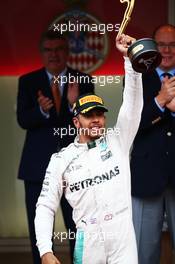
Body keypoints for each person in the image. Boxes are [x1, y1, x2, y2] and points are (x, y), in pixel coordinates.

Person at [34, 33, 143, 264]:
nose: (96, 120)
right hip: (89, 242)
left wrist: (130, 62)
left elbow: (132, 106)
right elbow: (45, 205)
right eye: (88, 115)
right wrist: (45, 250)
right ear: (76, 122)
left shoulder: (118, 141)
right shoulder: (61, 159)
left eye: (99, 115)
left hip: (122, 237)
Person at [17, 29, 94, 264]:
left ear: (68, 51)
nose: (54, 55)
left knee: (79, 230)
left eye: (59, 49)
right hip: (37, 170)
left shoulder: (83, 80)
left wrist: (74, 105)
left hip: (76, 169)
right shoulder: (28, 82)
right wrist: (41, 110)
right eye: (49, 50)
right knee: (39, 233)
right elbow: (23, 120)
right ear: (42, 53)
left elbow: (91, 125)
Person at [130, 24, 175, 264]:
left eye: (172, 44)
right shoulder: (137, 77)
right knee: (144, 254)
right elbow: (132, 123)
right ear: (153, 48)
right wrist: (161, 100)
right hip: (147, 177)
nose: (167, 50)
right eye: (162, 45)